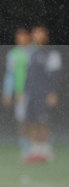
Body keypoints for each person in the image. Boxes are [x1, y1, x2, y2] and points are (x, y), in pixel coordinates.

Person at [22, 25, 61, 163]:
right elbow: (28, 75)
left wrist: (53, 93)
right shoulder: (30, 53)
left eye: (40, 33)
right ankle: (34, 150)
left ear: (46, 36)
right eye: (35, 33)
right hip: (31, 94)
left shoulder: (51, 53)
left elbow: (55, 76)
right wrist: (24, 92)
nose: (37, 36)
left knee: (43, 121)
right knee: (30, 122)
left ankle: (46, 150)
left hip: (44, 95)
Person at [2, 28, 32, 160]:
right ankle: (25, 149)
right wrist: (7, 92)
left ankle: (40, 148)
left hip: (36, 93)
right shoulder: (13, 54)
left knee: (38, 121)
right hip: (21, 94)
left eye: (23, 36)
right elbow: (10, 75)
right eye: (18, 36)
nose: (21, 39)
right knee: (22, 121)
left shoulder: (35, 51)